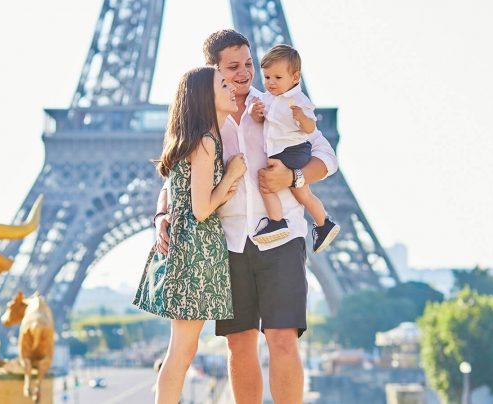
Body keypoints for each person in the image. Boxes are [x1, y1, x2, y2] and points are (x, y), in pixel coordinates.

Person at [154, 30, 338, 404]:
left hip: (282, 236)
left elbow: (326, 156)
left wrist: (294, 177)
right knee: (239, 345)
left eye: (249, 64)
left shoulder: (277, 103)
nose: (244, 73)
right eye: (233, 66)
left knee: (283, 340)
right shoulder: (205, 118)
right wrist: (161, 213)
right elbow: (179, 173)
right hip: (228, 242)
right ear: (214, 70)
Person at [133, 66, 247, 404]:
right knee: (182, 350)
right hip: (195, 251)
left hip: (188, 248)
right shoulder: (206, 141)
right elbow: (200, 209)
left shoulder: (195, 138)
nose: (231, 88)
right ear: (204, 97)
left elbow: (182, 196)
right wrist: (232, 176)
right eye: (223, 84)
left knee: (183, 348)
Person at [248, 44, 340, 253]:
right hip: (285, 152)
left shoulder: (298, 101)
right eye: (267, 77)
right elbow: (258, 118)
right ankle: (324, 224)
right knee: (303, 194)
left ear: (295, 77)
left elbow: (310, 128)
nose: (271, 83)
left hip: (293, 151)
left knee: (267, 184)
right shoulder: (266, 98)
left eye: (277, 78)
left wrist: (303, 119)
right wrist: (254, 112)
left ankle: (277, 221)